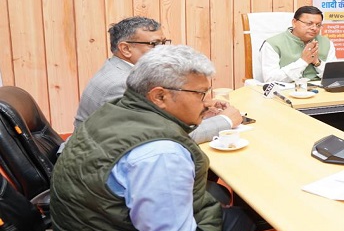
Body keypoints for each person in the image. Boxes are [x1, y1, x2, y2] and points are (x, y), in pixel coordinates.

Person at [51, 45, 315, 231]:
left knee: (239, 221)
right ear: (160, 96)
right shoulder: (161, 155)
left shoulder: (116, 112)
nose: (207, 102)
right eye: (200, 94)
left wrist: (197, 110)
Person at [73, 16, 242, 144]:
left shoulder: (120, 69)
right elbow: (162, 136)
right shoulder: (122, 83)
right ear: (125, 49)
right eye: (154, 44)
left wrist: (199, 109)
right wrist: (225, 121)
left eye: (164, 42)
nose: (163, 50)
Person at [260, 6, 337, 82]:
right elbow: (270, 79)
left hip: (320, 88)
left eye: (318, 25)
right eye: (309, 23)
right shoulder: (272, 44)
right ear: (294, 22)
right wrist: (303, 62)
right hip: (288, 88)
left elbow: (335, 76)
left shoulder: (327, 43)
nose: (314, 28)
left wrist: (317, 63)